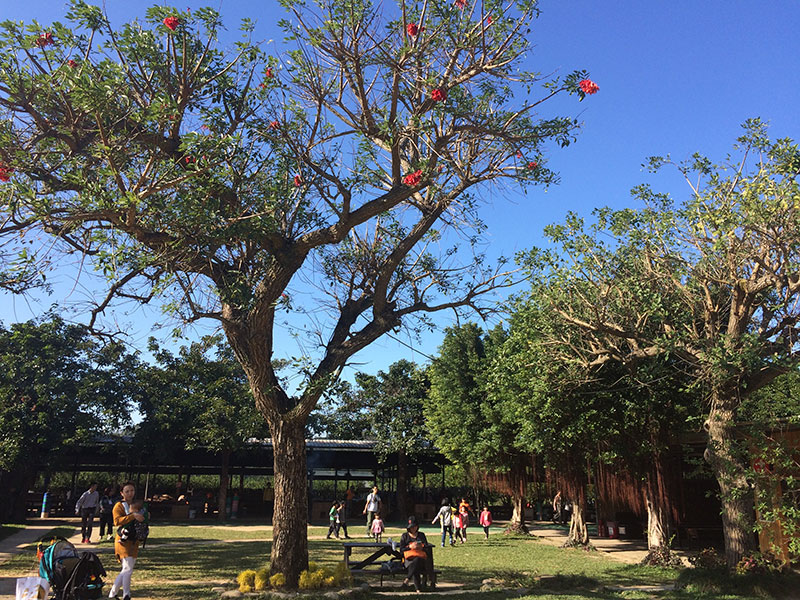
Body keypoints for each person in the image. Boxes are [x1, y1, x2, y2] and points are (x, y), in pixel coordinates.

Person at [109, 481, 146, 600]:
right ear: (122, 493)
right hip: (123, 540)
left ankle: (113, 593)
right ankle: (126, 594)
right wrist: (132, 516)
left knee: (127, 568)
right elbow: (117, 521)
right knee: (127, 568)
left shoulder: (137, 504)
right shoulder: (119, 506)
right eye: (127, 491)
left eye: (132, 491)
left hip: (134, 539)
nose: (130, 493)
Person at [399, 516, 435, 593]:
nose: (413, 529)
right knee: (415, 565)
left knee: (417, 560)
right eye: (411, 527)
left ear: (417, 526)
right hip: (409, 560)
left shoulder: (421, 535)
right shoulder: (405, 536)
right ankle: (418, 589)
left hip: (421, 560)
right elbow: (401, 550)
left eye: (414, 527)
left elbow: (426, 547)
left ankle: (407, 580)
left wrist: (421, 546)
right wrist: (410, 547)